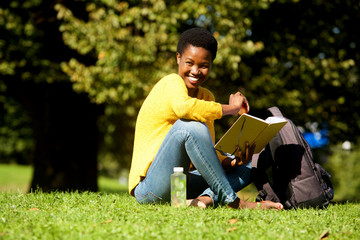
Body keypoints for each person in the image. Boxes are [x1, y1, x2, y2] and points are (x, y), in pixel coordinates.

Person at [128, 28, 283, 210]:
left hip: (182, 184)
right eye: (189, 63)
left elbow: (205, 150)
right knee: (191, 126)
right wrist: (232, 108)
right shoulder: (171, 83)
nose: (195, 71)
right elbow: (184, 108)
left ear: (211, 65)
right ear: (178, 58)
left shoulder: (206, 97)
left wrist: (234, 162)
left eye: (203, 66)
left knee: (252, 165)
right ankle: (234, 202)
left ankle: (204, 200)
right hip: (151, 188)